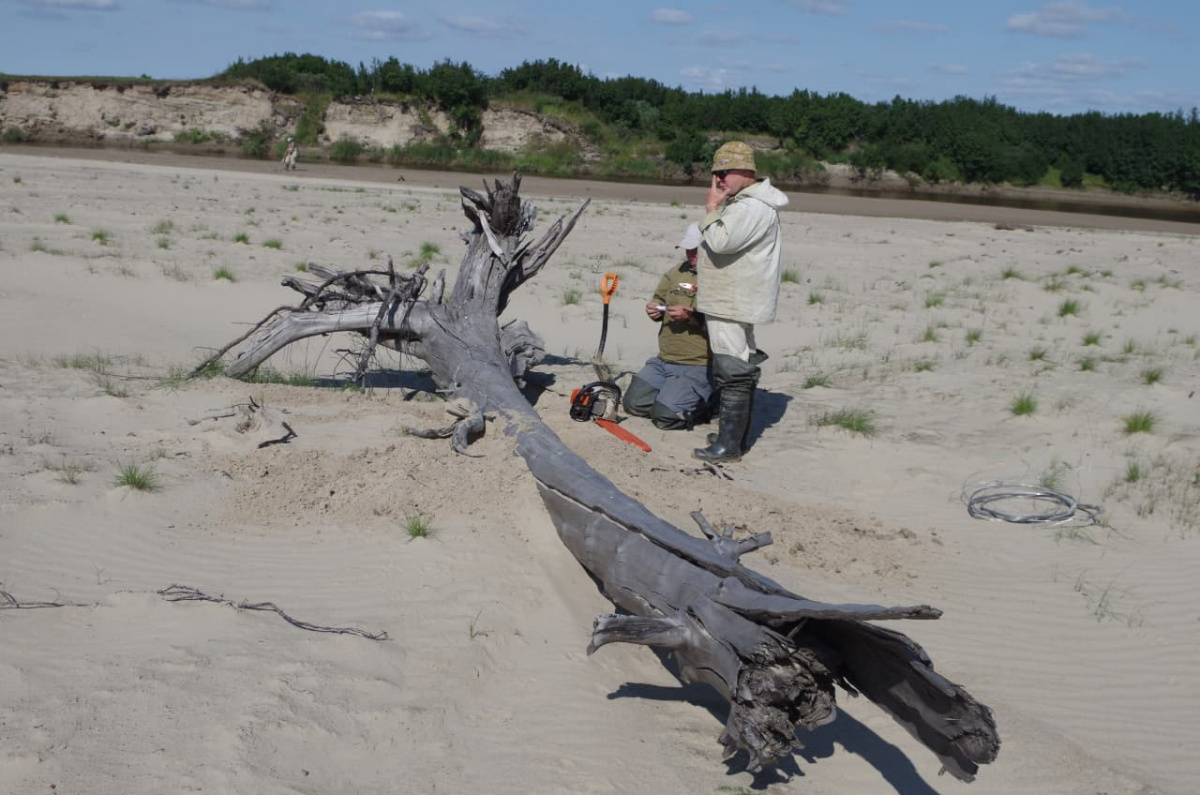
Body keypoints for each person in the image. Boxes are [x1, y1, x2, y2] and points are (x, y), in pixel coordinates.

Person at [692, 141, 788, 463]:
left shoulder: (750, 208)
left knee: (732, 369)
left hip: (731, 301)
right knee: (738, 363)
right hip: (734, 298)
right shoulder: (748, 203)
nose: (718, 179)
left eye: (724, 172)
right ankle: (732, 437)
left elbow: (720, 241)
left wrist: (711, 209)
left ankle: (729, 446)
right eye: (715, 172)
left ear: (746, 171)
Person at [622, 222, 714, 430]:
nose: (691, 255)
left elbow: (724, 325)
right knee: (633, 405)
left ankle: (709, 402)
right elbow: (658, 298)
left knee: (665, 418)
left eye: (696, 250)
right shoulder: (676, 272)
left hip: (696, 364)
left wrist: (691, 317)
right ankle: (674, 397)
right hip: (663, 360)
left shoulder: (721, 278)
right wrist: (654, 310)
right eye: (688, 249)